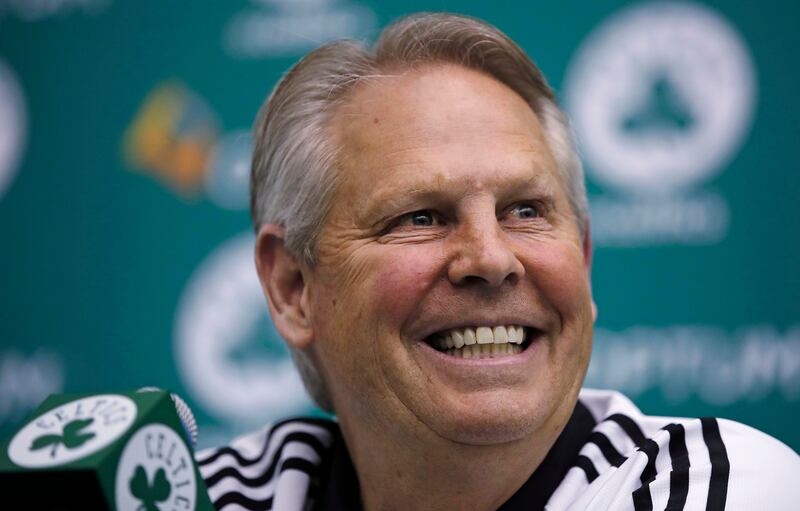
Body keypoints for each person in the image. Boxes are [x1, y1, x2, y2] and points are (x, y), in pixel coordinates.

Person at [196, 12, 800, 511]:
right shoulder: (199, 495)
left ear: (583, 260)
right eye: (420, 217)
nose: (490, 257)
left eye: (527, 210)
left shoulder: (714, 489)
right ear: (292, 286)